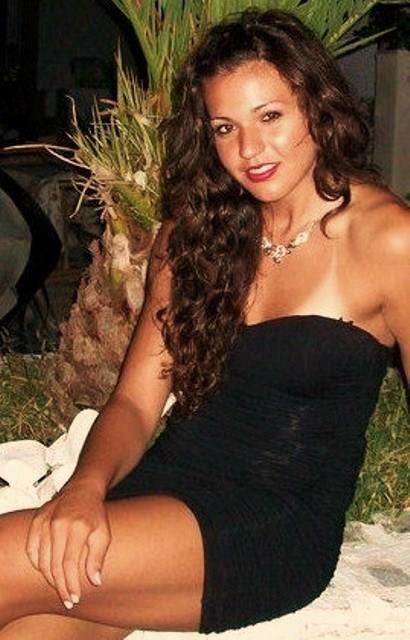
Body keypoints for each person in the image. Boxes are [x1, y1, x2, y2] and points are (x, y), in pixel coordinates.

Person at [0, 8, 409, 639]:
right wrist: (83, 488)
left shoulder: (389, 240)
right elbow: (135, 403)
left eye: (270, 117)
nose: (249, 150)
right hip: (158, 489)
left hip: (269, 523)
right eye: (225, 127)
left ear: (317, 105)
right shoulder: (195, 237)